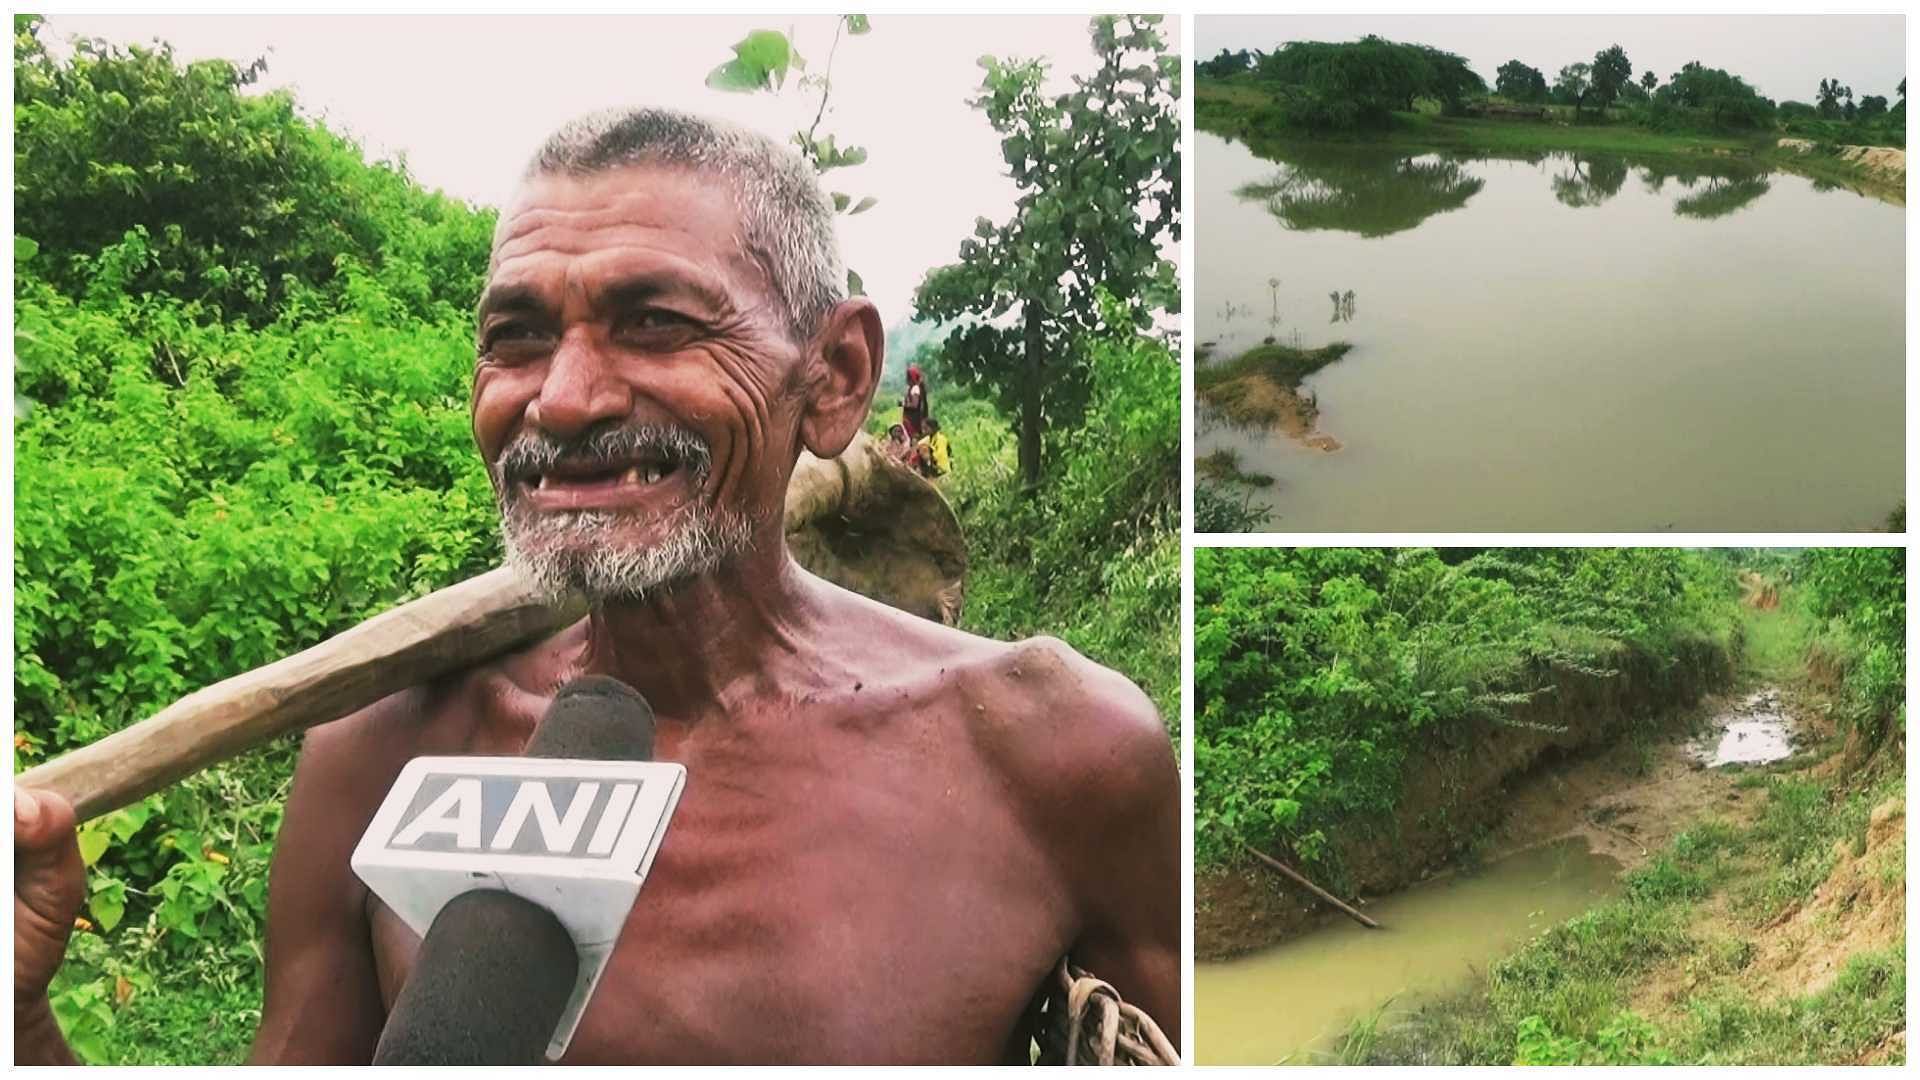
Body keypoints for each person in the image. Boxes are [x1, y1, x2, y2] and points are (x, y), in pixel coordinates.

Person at [13, 107, 1178, 1066]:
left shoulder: (1051, 754)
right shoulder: (377, 757)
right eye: (516, 337)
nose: (561, 400)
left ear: (834, 377)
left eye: (654, 323)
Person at [900, 363, 928, 440]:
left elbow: (914, 405)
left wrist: (903, 404)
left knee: (914, 438)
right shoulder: (913, 388)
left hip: (913, 420)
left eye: (908, 377)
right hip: (912, 419)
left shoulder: (915, 389)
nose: (906, 379)